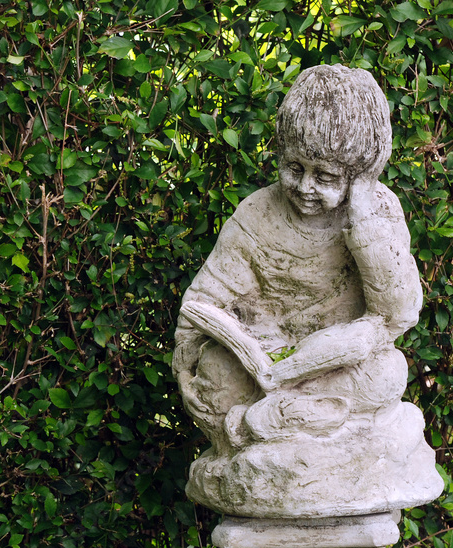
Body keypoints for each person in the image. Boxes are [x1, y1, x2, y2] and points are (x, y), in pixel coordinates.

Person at [173, 64, 423, 456]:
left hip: (335, 367)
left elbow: (400, 312)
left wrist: (362, 218)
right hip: (262, 356)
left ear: (358, 176)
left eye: (325, 177)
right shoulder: (258, 212)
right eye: (294, 168)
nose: (305, 187)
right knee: (216, 373)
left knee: (387, 373)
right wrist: (184, 363)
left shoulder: (378, 213)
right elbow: (205, 299)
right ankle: (289, 415)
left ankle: (276, 419)